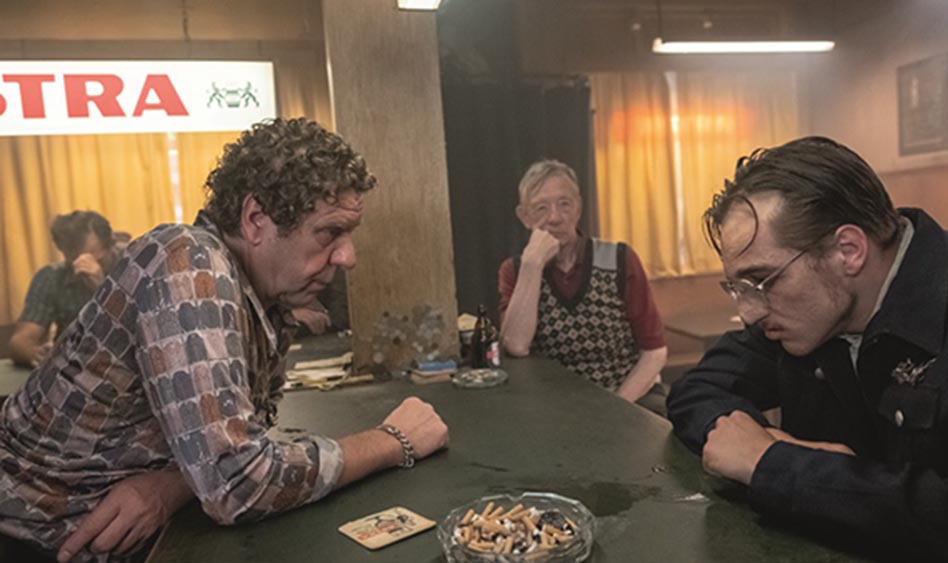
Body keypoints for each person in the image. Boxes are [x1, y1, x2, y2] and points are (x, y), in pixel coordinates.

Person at [0, 117, 449, 562]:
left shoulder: (263, 297)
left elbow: (235, 447)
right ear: (255, 219)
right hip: (32, 542)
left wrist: (174, 485)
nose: (348, 256)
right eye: (330, 232)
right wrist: (393, 440)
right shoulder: (190, 262)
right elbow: (241, 485)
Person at [666, 136, 948, 559]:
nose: (749, 313)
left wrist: (777, 464)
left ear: (848, 251)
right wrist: (753, 444)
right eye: (739, 288)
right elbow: (697, 389)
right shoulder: (801, 312)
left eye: (762, 281)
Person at [498, 159, 668, 408]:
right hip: (554, 406)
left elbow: (654, 352)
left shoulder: (620, 258)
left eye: (564, 204)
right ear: (524, 217)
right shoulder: (515, 270)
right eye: (541, 208)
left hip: (626, 396)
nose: (555, 218)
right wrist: (532, 266)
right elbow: (516, 345)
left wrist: (616, 408)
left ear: (578, 208)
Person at [8, 211, 122, 368]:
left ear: (111, 244)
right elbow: (20, 341)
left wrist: (101, 289)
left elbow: (141, 330)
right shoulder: (52, 277)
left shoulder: (133, 269)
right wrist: (34, 353)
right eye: (74, 259)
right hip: (72, 365)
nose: (84, 266)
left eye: (96, 259)